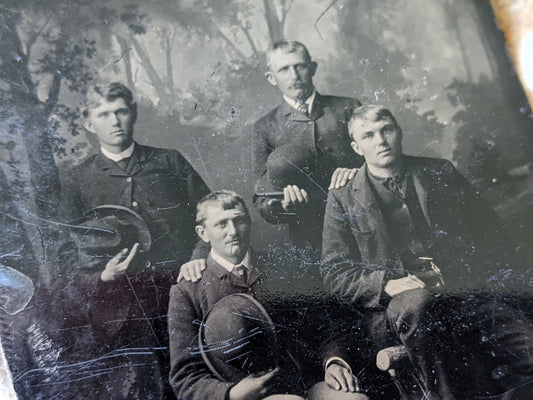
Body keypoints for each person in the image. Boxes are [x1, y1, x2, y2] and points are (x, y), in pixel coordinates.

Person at [321, 104, 533, 399]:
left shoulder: (439, 171)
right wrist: (386, 284)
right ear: (357, 147)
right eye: (368, 135)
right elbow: (335, 273)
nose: (381, 140)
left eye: (387, 130)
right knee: (420, 309)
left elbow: (492, 234)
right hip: (402, 310)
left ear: (399, 131)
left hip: (465, 297)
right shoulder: (343, 197)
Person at [60, 82, 210, 398]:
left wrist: (199, 254)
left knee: (202, 380)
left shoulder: (170, 161)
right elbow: (62, 252)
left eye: (121, 111)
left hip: (184, 292)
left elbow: (211, 215)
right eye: (103, 114)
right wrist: (100, 276)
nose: (114, 121)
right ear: (89, 123)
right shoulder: (76, 180)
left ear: (133, 113)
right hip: (122, 309)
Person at [168, 190, 368, 400]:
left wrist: (334, 362)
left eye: (239, 220)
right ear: (202, 233)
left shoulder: (284, 267)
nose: (233, 231)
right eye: (221, 224)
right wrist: (231, 393)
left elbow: (325, 326)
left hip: (305, 383)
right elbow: (185, 378)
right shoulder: (187, 290)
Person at [252, 40, 363, 252]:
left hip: (362, 221)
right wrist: (283, 207)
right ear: (271, 78)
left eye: (299, 66)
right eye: (284, 69)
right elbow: (261, 199)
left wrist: (357, 173)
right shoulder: (265, 127)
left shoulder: (348, 108)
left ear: (312, 68)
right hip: (311, 237)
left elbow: (382, 161)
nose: (294, 76)